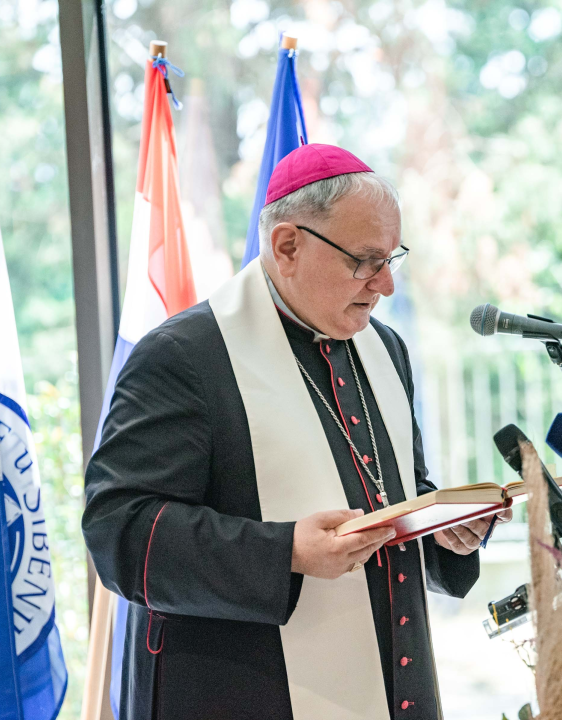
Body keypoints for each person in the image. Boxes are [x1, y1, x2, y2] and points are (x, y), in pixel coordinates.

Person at [83, 144, 512, 720]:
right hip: (241, 687)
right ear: (288, 247)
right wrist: (284, 552)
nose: (385, 285)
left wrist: (441, 531)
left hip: (393, 679)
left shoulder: (383, 348)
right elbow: (121, 531)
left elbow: (393, 492)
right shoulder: (184, 356)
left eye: (392, 258)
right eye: (364, 260)